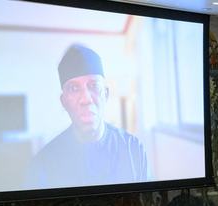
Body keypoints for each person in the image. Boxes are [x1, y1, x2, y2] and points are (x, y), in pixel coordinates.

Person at [27, 44, 148, 188]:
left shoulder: (132, 149)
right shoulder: (43, 163)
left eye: (93, 86)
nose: (86, 99)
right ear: (64, 101)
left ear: (106, 94)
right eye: (74, 88)